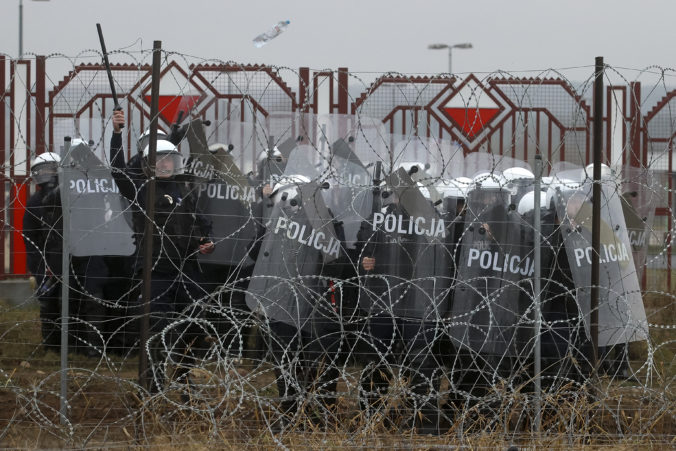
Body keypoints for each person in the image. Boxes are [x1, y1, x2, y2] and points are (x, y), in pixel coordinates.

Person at [109, 110, 215, 394]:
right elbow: (118, 171)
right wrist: (117, 135)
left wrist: (206, 240)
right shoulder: (142, 188)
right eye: (160, 159)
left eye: (170, 158)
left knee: (195, 322)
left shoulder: (184, 189)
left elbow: (202, 223)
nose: (166, 163)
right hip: (156, 270)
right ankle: (153, 383)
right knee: (156, 328)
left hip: (186, 269)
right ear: (149, 164)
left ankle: (182, 375)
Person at [23, 152, 63, 352]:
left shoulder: (67, 197)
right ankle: (51, 346)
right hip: (46, 263)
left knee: (72, 303)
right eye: (42, 170)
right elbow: (30, 240)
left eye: (50, 169)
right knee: (48, 304)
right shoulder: (34, 203)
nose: (46, 174)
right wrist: (40, 270)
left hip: (69, 259)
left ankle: (73, 345)